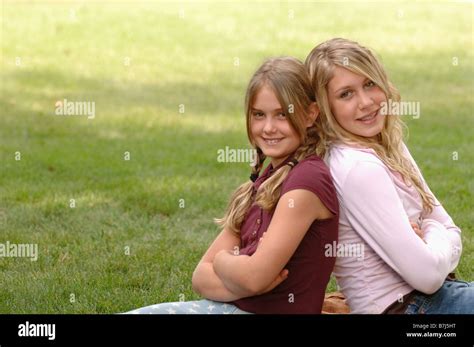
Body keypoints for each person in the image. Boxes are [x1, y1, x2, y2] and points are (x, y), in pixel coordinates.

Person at [125, 57, 339, 314]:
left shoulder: (307, 181)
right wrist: (249, 283)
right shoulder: (268, 177)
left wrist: (225, 263)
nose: (269, 128)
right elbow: (200, 277)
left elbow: (254, 276)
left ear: (310, 115)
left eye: (282, 114)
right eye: (259, 115)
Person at [305, 38, 473, 314]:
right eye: (346, 94)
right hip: (408, 308)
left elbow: (450, 228)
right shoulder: (358, 167)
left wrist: (430, 235)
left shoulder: (384, 143)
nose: (366, 102)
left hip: (433, 299)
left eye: (369, 84)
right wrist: (434, 231)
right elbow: (429, 276)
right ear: (324, 108)